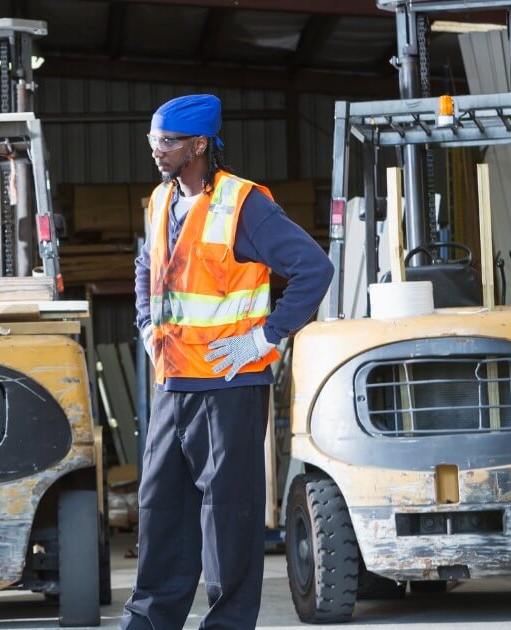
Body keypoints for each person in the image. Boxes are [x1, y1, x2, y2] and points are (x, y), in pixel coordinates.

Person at [119, 94, 333, 629]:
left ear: (198, 145)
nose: (156, 151)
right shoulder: (159, 201)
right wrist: (145, 324)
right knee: (161, 511)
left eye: (166, 142)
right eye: (153, 140)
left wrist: (267, 339)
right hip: (172, 384)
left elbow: (314, 269)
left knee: (227, 520)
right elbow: (147, 266)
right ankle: (147, 623)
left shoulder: (245, 205)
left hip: (229, 385)